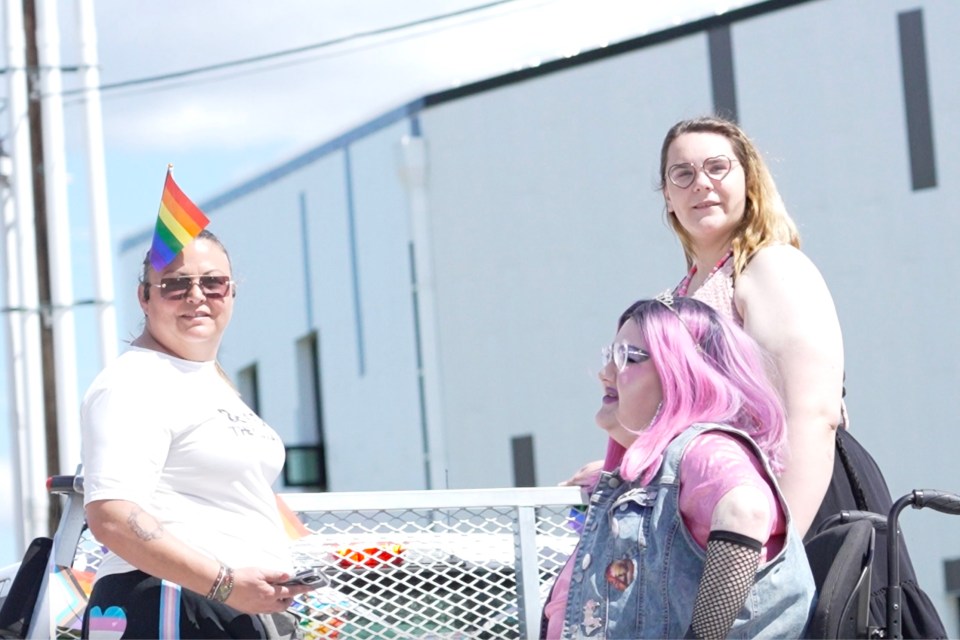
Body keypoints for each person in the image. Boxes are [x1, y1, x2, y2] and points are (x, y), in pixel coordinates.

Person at [564, 115, 945, 637]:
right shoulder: (676, 299)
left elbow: (812, 414)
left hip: (798, 494)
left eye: (717, 167)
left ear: (749, 179)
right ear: (667, 198)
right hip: (726, 513)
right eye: (682, 174)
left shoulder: (771, 267)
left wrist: (779, 551)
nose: (701, 183)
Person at [80, 230, 315, 639]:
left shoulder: (210, 386)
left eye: (213, 282)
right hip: (170, 603)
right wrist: (226, 584)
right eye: (174, 284)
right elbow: (112, 517)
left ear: (232, 292)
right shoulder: (136, 382)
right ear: (144, 297)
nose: (196, 296)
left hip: (233, 608)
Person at [546, 295, 815, 639]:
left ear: (683, 374)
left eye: (627, 357)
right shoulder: (665, 467)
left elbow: (746, 512)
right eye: (609, 355)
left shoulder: (706, 450)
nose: (605, 373)